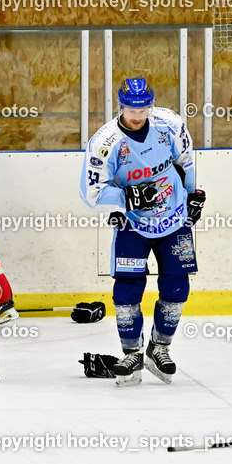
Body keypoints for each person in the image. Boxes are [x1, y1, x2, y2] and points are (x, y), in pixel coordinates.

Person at [80, 78, 203, 386]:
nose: (136, 115)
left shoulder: (170, 124)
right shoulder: (105, 143)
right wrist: (128, 198)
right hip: (132, 223)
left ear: (152, 104)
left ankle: (159, 348)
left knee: (177, 288)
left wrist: (193, 194)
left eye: (142, 108)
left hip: (175, 218)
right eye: (130, 109)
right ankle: (132, 352)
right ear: (119, 106)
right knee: (126, 291)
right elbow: (91, 193)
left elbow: (185, 160)